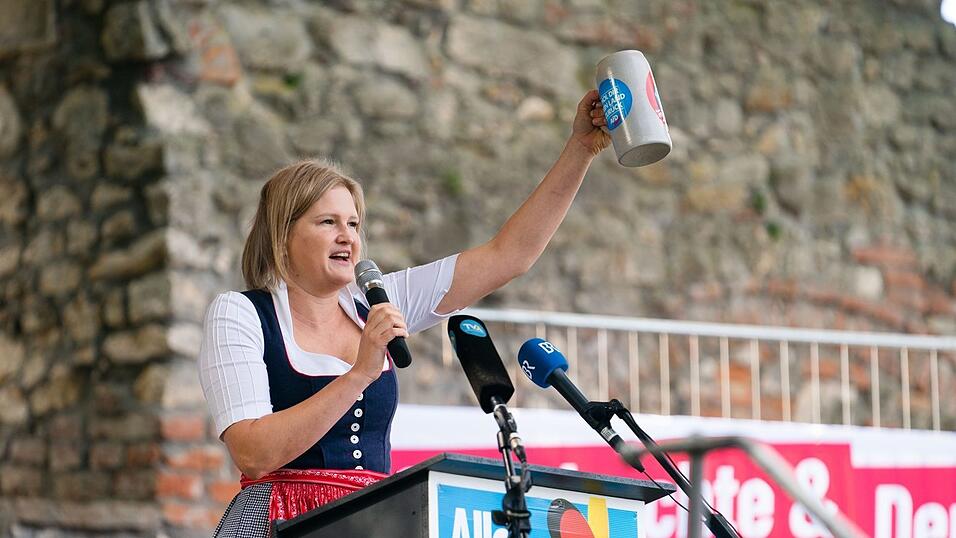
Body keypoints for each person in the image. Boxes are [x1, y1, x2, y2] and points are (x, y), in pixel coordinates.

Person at [198, 90, 611, 536]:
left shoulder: (378, 301)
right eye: (328, 222)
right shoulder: (240, 313)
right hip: (278, 521)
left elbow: (508, 256)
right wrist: (358, 374)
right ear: (283, 235)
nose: (348, 237)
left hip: (372, 522)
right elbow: (254, 455)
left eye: (354, 224)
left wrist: (580, 149)